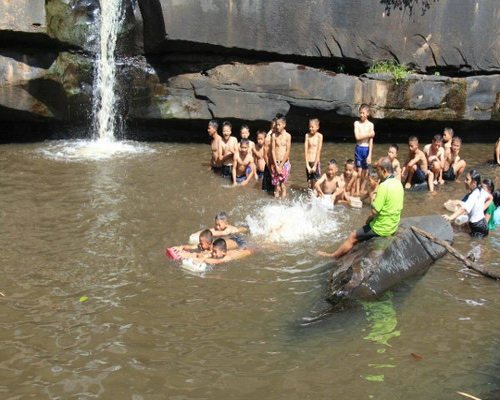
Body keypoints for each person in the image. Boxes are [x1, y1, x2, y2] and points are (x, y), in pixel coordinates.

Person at [318, 157, 404, 258]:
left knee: (353, 236)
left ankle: (333, 256)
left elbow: (374, 211)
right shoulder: (398, 183)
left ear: (384, 170)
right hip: (393, 225)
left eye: (378, 170)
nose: (377, 172)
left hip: (382, 228)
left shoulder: (383, 186)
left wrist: (369, 215)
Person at [443, 170, 492, 238]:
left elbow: (463, 209)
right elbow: (490, 198)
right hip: (482, 224)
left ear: (474, 183)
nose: (465, 181)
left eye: (467, 179)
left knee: (474, 246)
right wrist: (481, 209)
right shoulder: (481, 190)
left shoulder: (473, 195)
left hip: (478, 227)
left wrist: (450, 218)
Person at [354, 104, 375, 194]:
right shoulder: (357, 123)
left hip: (366, 149)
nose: (361, 115)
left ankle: (362, 190)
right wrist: (370, 134)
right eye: (360, 113)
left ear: (368, 113)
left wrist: (369, 155)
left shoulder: (371, 125)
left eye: (363, 113)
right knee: (358, 171)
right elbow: (358, 137)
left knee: (365, 172)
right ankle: (357, 190)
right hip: (359, 148)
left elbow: (370, 141)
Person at [271, 115, 292, 199]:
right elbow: (272, 150)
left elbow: (287, 151)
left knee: (283, 185)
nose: (277, 126)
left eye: (279, 125)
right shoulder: (274, 135)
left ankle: (283, 202)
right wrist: (276, 165)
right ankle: (276, 202)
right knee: (276, 186)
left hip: (284, 163)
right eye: (276, 125)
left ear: (284, 125)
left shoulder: (288, 136)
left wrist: (281, 165)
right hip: (275, 163)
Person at [304, 118, 323, 190]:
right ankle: (309, 199)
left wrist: (315, 165)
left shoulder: (319, 136)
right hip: (308, 161)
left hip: (315, 162)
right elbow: (305, 151)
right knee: (309, 183)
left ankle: (316, 198)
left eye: (312, 127)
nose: (310, 128)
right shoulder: (307, 135)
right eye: (309, 127)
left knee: (316, 182)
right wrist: (307, 165)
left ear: (317, 127)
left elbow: (318, 151)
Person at [261, 118, 277, 194]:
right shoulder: (268, 138)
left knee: (278, 187)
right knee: (268, 190)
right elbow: (265, 155)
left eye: (276, 127)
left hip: (278, 165)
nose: (274, 129)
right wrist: (270, 168)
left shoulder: (279, 136)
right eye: (273, 127)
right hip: (270, 166)